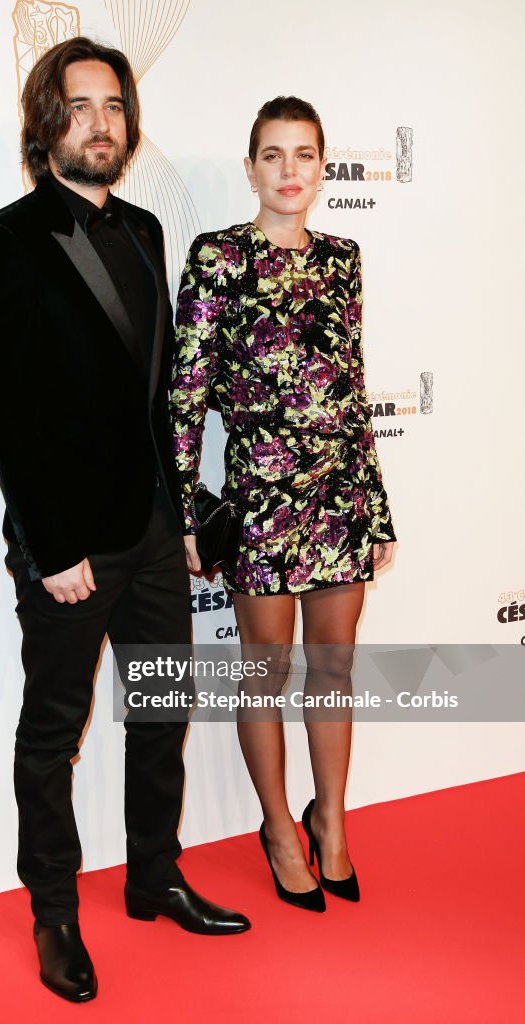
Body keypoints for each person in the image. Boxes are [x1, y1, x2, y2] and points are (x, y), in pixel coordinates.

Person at [0, 37, 250, 1005]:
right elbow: (7, 410)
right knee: (53, 729)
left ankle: (153, 872)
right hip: (69, 552)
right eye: (78, 106)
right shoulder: (0, 241)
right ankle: (52, 908)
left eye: (113, 107)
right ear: (45, 122)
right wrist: (52, 547)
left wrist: (177, 514)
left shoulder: (142, 231)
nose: (99, 122)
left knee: (161, 711)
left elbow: (157, 392)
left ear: (129, 124)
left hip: (151, 533)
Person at [170, 96, 396, 913]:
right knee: (264, 678)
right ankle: (275, 827)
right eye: (273, 155)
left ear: (322, 166)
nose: (289, 171)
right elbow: (185, 393)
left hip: (339, 496)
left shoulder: (343, 258)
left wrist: (373, 506)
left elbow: (351, 387)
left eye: (304, 155)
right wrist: (189, 511)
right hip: (261, 502)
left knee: (330, 672)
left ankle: (329, 820)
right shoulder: (217, 258)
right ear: (250, 167)